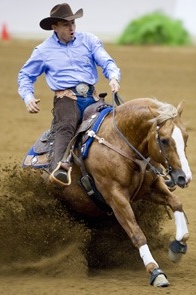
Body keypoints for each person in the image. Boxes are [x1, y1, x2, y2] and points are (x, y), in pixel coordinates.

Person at [18, 3, 121, 186]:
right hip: (66, 99)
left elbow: (106, 60)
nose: (72, 27)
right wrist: (28, 97)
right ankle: (59, 169)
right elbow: (25, 75)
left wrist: (113, 76)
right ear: (54, 27)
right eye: (66, 24)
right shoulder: (43, 50)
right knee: (66, 125)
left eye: (73, 23)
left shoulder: (89, 40)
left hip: (92, 98)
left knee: (116, 121)